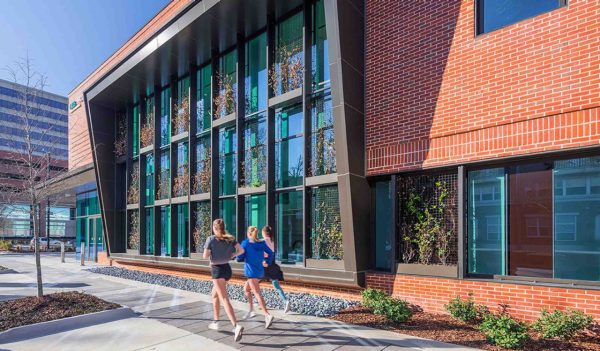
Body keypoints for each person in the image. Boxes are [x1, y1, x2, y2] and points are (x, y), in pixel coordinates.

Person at [203, 219, 245, 342]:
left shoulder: (210, 239)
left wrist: (212, 252)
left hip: (217, 270)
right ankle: (216, 321)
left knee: (224, 298)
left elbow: (205, 256)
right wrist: (231, 255)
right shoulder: (230, 238)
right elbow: (241, 250)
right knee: (214, 295)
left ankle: (236, 326)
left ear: (215, 228)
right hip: (227, 269)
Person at [236, 226, 275, 329]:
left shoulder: (246, 243)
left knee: (257, 293)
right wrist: (267, 262)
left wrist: (238, 256)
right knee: (246, 289)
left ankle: (267, 315)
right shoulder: (261, 243)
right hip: (260, 271)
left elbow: (239, 257)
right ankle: (251, 310)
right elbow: (271, 253)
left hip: (251, 272)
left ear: (248, 233)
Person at [261, 226, 291, 313]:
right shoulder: (272, 242)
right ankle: (286, 301)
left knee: (255, 284)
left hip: (264, 266)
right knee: (277, 286)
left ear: (264, 233)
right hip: (272, 266)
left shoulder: (262, 242)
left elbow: (261, 254)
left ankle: (260, 302)